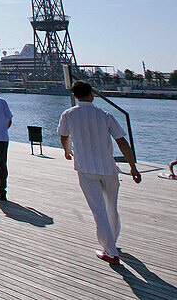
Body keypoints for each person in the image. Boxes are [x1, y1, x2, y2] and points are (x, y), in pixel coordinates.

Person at [58, 80, 141, 265]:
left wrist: (66, 150)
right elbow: (121, 142)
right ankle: (112, 242)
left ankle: (110, 251)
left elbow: (63, 135)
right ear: (91, 94)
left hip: (86, 169)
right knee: (112, 206)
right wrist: (133, 167)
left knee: (98, 209)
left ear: (74, 95)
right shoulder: (106, 115)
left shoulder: (68, 115)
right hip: (109, 168)